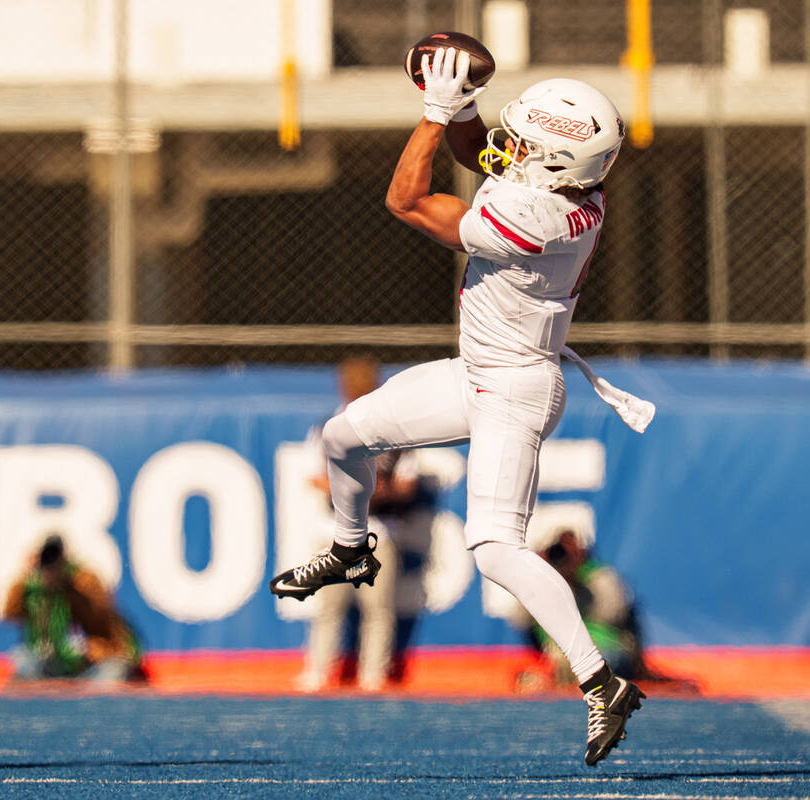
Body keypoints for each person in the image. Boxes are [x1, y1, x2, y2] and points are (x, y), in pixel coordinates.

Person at [269, 49, 654, 766]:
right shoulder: (570, 186)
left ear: (556, 166)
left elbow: (406, 201)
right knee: (345, 435)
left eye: (529, 146)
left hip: (515, 386)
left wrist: (437, 110)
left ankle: (600, 680)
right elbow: (488, 153)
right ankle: (353, 548)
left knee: (494, 546)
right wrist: (468, 105)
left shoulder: (535, 217)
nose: (512, 151)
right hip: (479, 369)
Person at [296, 356, 414, 692]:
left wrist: (382, 489)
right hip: (333, 530)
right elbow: (315, 477)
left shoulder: (394, 432)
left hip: (379, 528)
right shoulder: (327, 427)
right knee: (329, 608)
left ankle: (373, 673)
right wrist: (355, 487)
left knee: (378, 609)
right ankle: (318, 670)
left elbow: (408, 482)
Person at [512, 527, 647, 691]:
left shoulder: (600, 578)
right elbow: (521, 622)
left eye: (567, 552)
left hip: (607, 649)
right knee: (533, 677)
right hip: (560, 656)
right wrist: (540, 579)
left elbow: (612, 619)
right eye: (556, 551)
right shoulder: (541, 581)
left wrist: (575, 584)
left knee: (593, 662)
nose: (561, 558)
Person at [3, 535, 143, 684]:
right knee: (24, 663)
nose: (51, 570)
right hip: (53, 663)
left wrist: (70, 587)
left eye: (55, 562)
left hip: (88, 665)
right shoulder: (35, 589)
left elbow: (103, 615)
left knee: (112, 673)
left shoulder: (84, 581)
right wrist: (26, 576)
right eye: (47, 563)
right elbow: (9, 613)